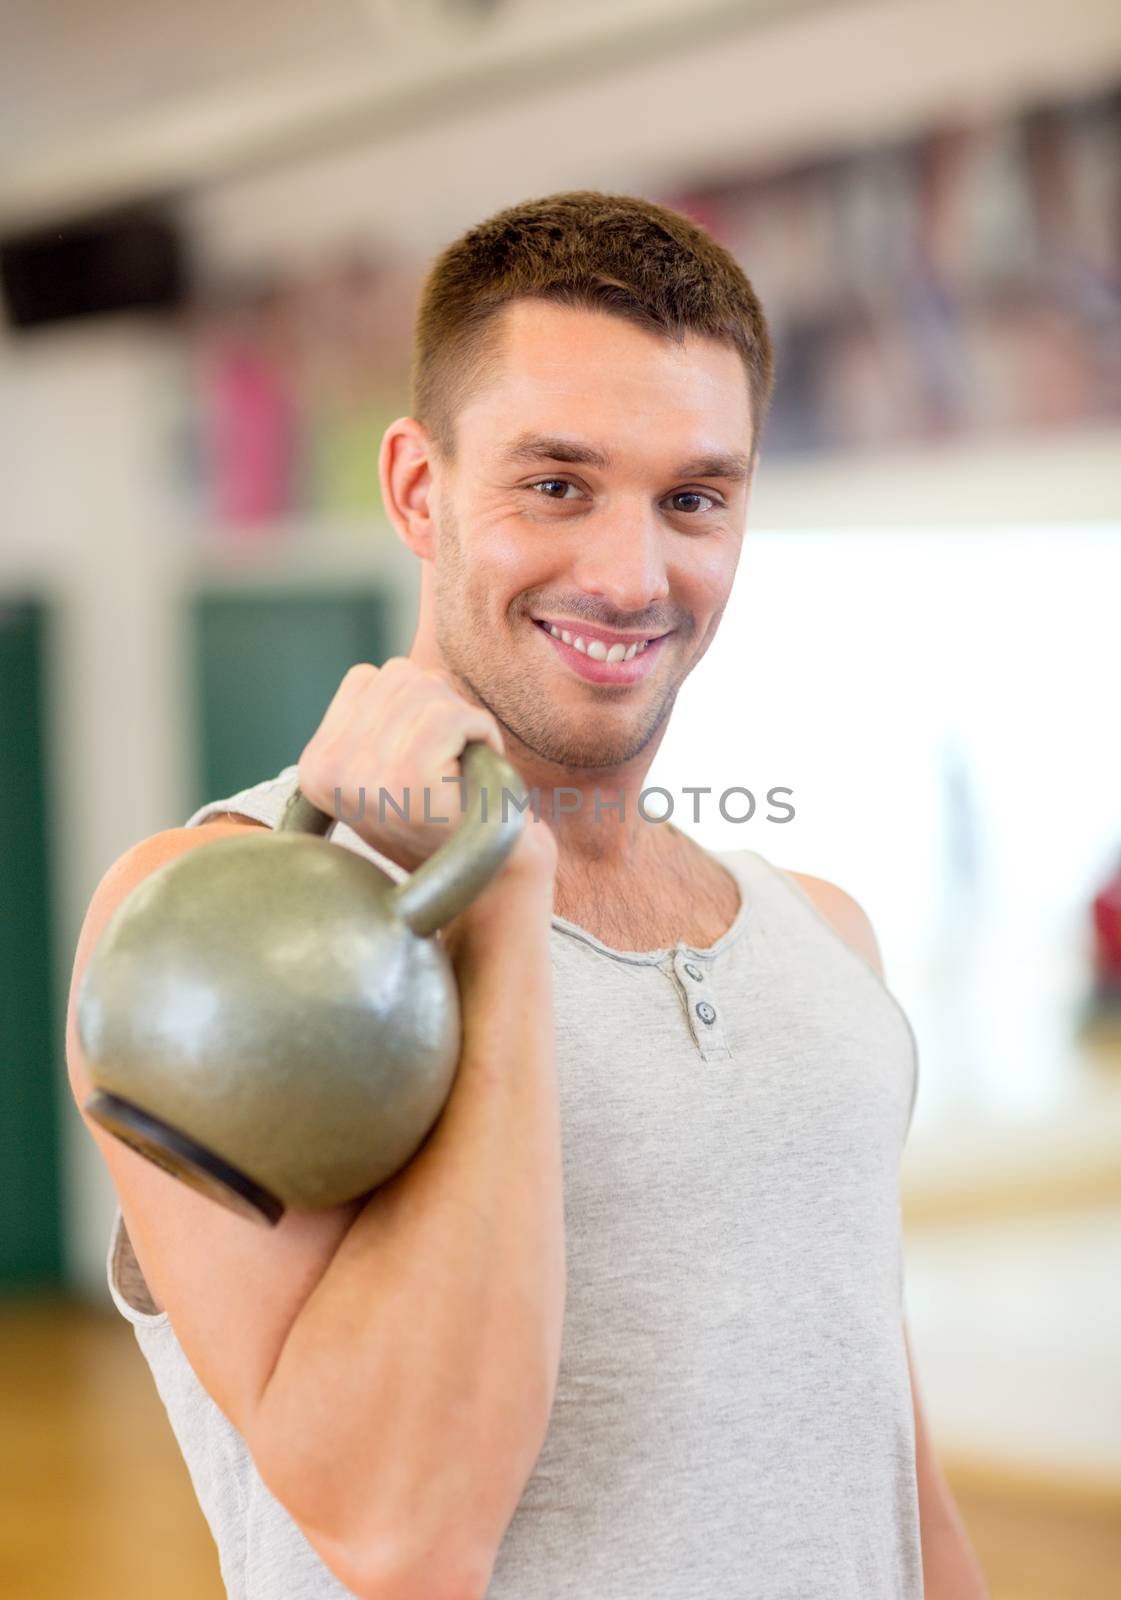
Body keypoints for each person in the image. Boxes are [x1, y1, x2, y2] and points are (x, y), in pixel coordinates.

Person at [66, 191, 989, 1599]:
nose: (629, 575)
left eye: (693, 498)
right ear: (418, 491)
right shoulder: (221, 925)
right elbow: (399, 1535)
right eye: (554, 484)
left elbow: (894, 1485)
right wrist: (496, 905)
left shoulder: (822, 942)